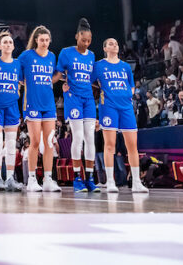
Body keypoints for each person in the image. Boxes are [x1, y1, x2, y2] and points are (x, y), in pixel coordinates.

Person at [96, 38, 149, 194]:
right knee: (110, 145)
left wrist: (127, 96)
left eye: (116, 43)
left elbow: (131, 85)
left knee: (132, 145)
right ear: (105, 48)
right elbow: (89, 81)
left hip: (126, 107)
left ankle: (136, 182)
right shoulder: (99, 66)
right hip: (109, 107)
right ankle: (110, 181)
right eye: (111, 43)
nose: (115, 45)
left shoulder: (125, 67)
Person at [55, 18, 99, 193]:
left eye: (89, 41)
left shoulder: (92, 55)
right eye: (83, 40)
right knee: (78, 137)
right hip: (73, 98)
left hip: (88, 99)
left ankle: (89, 178)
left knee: (90, 138)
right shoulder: (66, 53)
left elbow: (93, 79)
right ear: (76, 37)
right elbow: (59, 73)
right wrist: (60, 85)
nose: (86, 43)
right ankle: (76, 178)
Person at [18, 25, 60, 192]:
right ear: (36, 40)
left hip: (49, 104)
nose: (44, 42)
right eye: (41, 40)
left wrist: (57, 81)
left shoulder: (52, 56)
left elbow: (57, 74)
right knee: (34, 142)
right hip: (32, 104)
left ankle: (48, 179)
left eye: (47, 40)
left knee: (49, 143)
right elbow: (16, 70)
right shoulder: (27, 56)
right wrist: (23, 82)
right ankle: (32, 179)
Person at [0, 32, 23, 192]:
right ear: (0, 46)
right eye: (5, 42)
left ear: (13, 46)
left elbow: (23, 81)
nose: (8, 44)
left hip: (12, 107)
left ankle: (9, 178)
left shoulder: (17, 64)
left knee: (10, 145)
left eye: (10, 42)